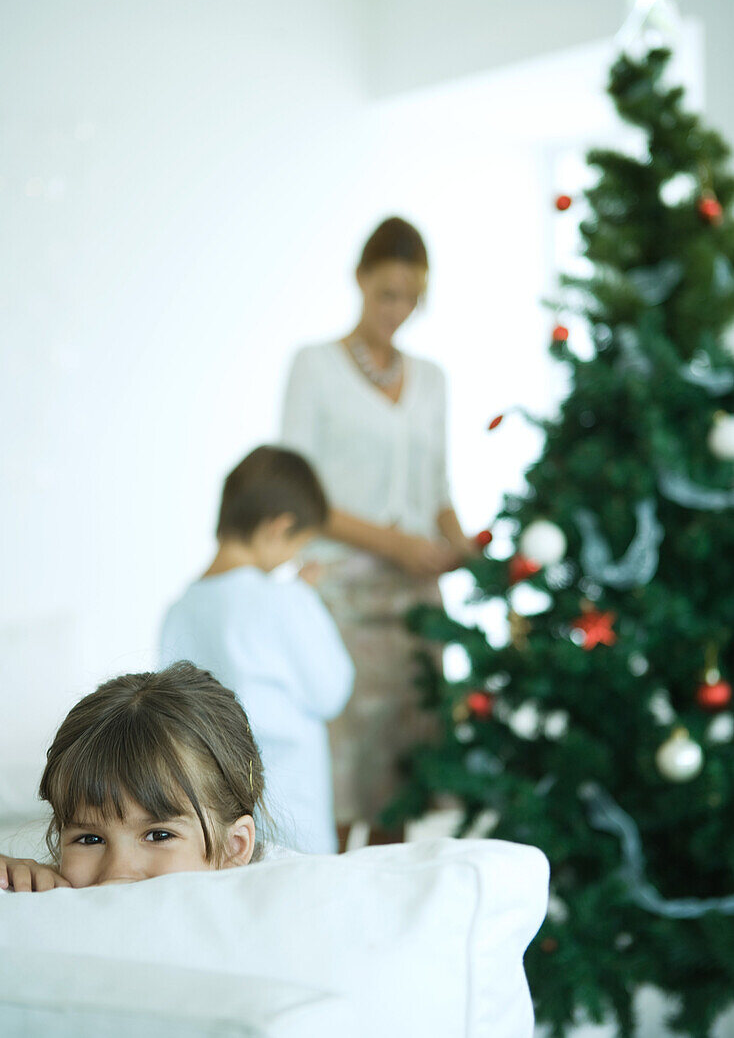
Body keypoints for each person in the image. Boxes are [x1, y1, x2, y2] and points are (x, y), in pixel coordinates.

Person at [280, 215, 477, 835]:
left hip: (417, 598)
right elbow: (301, 493)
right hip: (344, 593)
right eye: (387, 294)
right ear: (360, 281)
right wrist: (397, 544)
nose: (398, 309)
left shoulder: (433, 379)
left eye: (411, 298)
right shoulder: (315, 367)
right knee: (346, 776)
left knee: (404, 779)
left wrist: (461, 542)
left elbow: (437, 490)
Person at [159, 445, 354, 855]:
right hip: (291, 817)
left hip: (215, 822)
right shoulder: (287, 601)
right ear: (277, 529)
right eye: (297, 544)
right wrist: (308, 600)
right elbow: (331, 691)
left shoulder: (178, 611)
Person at [0, 661, 269, 892]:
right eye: (90, 839)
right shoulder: (45, 907)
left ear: (234, 847)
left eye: (159, 835)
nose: (117, 873)